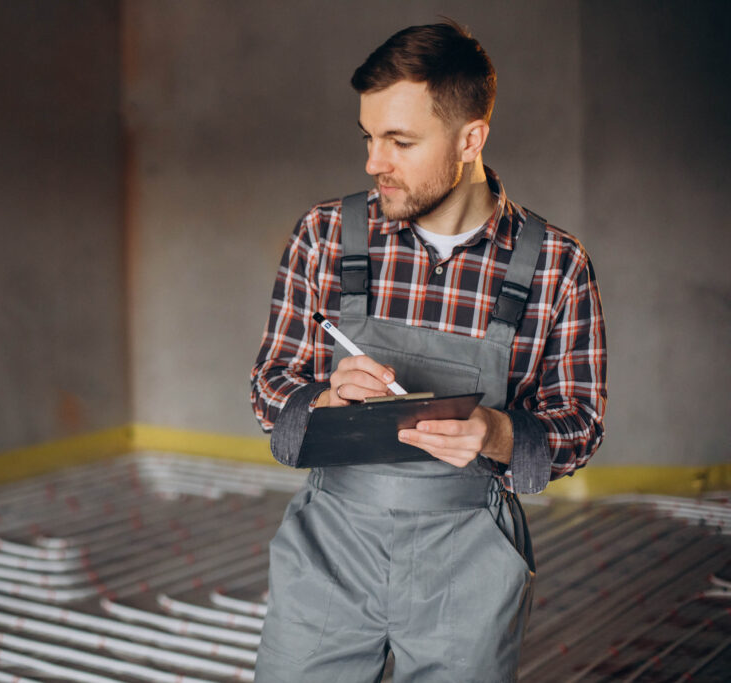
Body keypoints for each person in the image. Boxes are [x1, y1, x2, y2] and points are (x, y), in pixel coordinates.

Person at [249, 20, 607, 682]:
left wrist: (497, 431)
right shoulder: (325, 235)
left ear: (470, 138)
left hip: (468, 560)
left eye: (400, 141)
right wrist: (322, 399)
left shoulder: (556, 265)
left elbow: (579, 423)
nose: (372, 162)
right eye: (369, 137)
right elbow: (272, 382)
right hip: (330, 549)